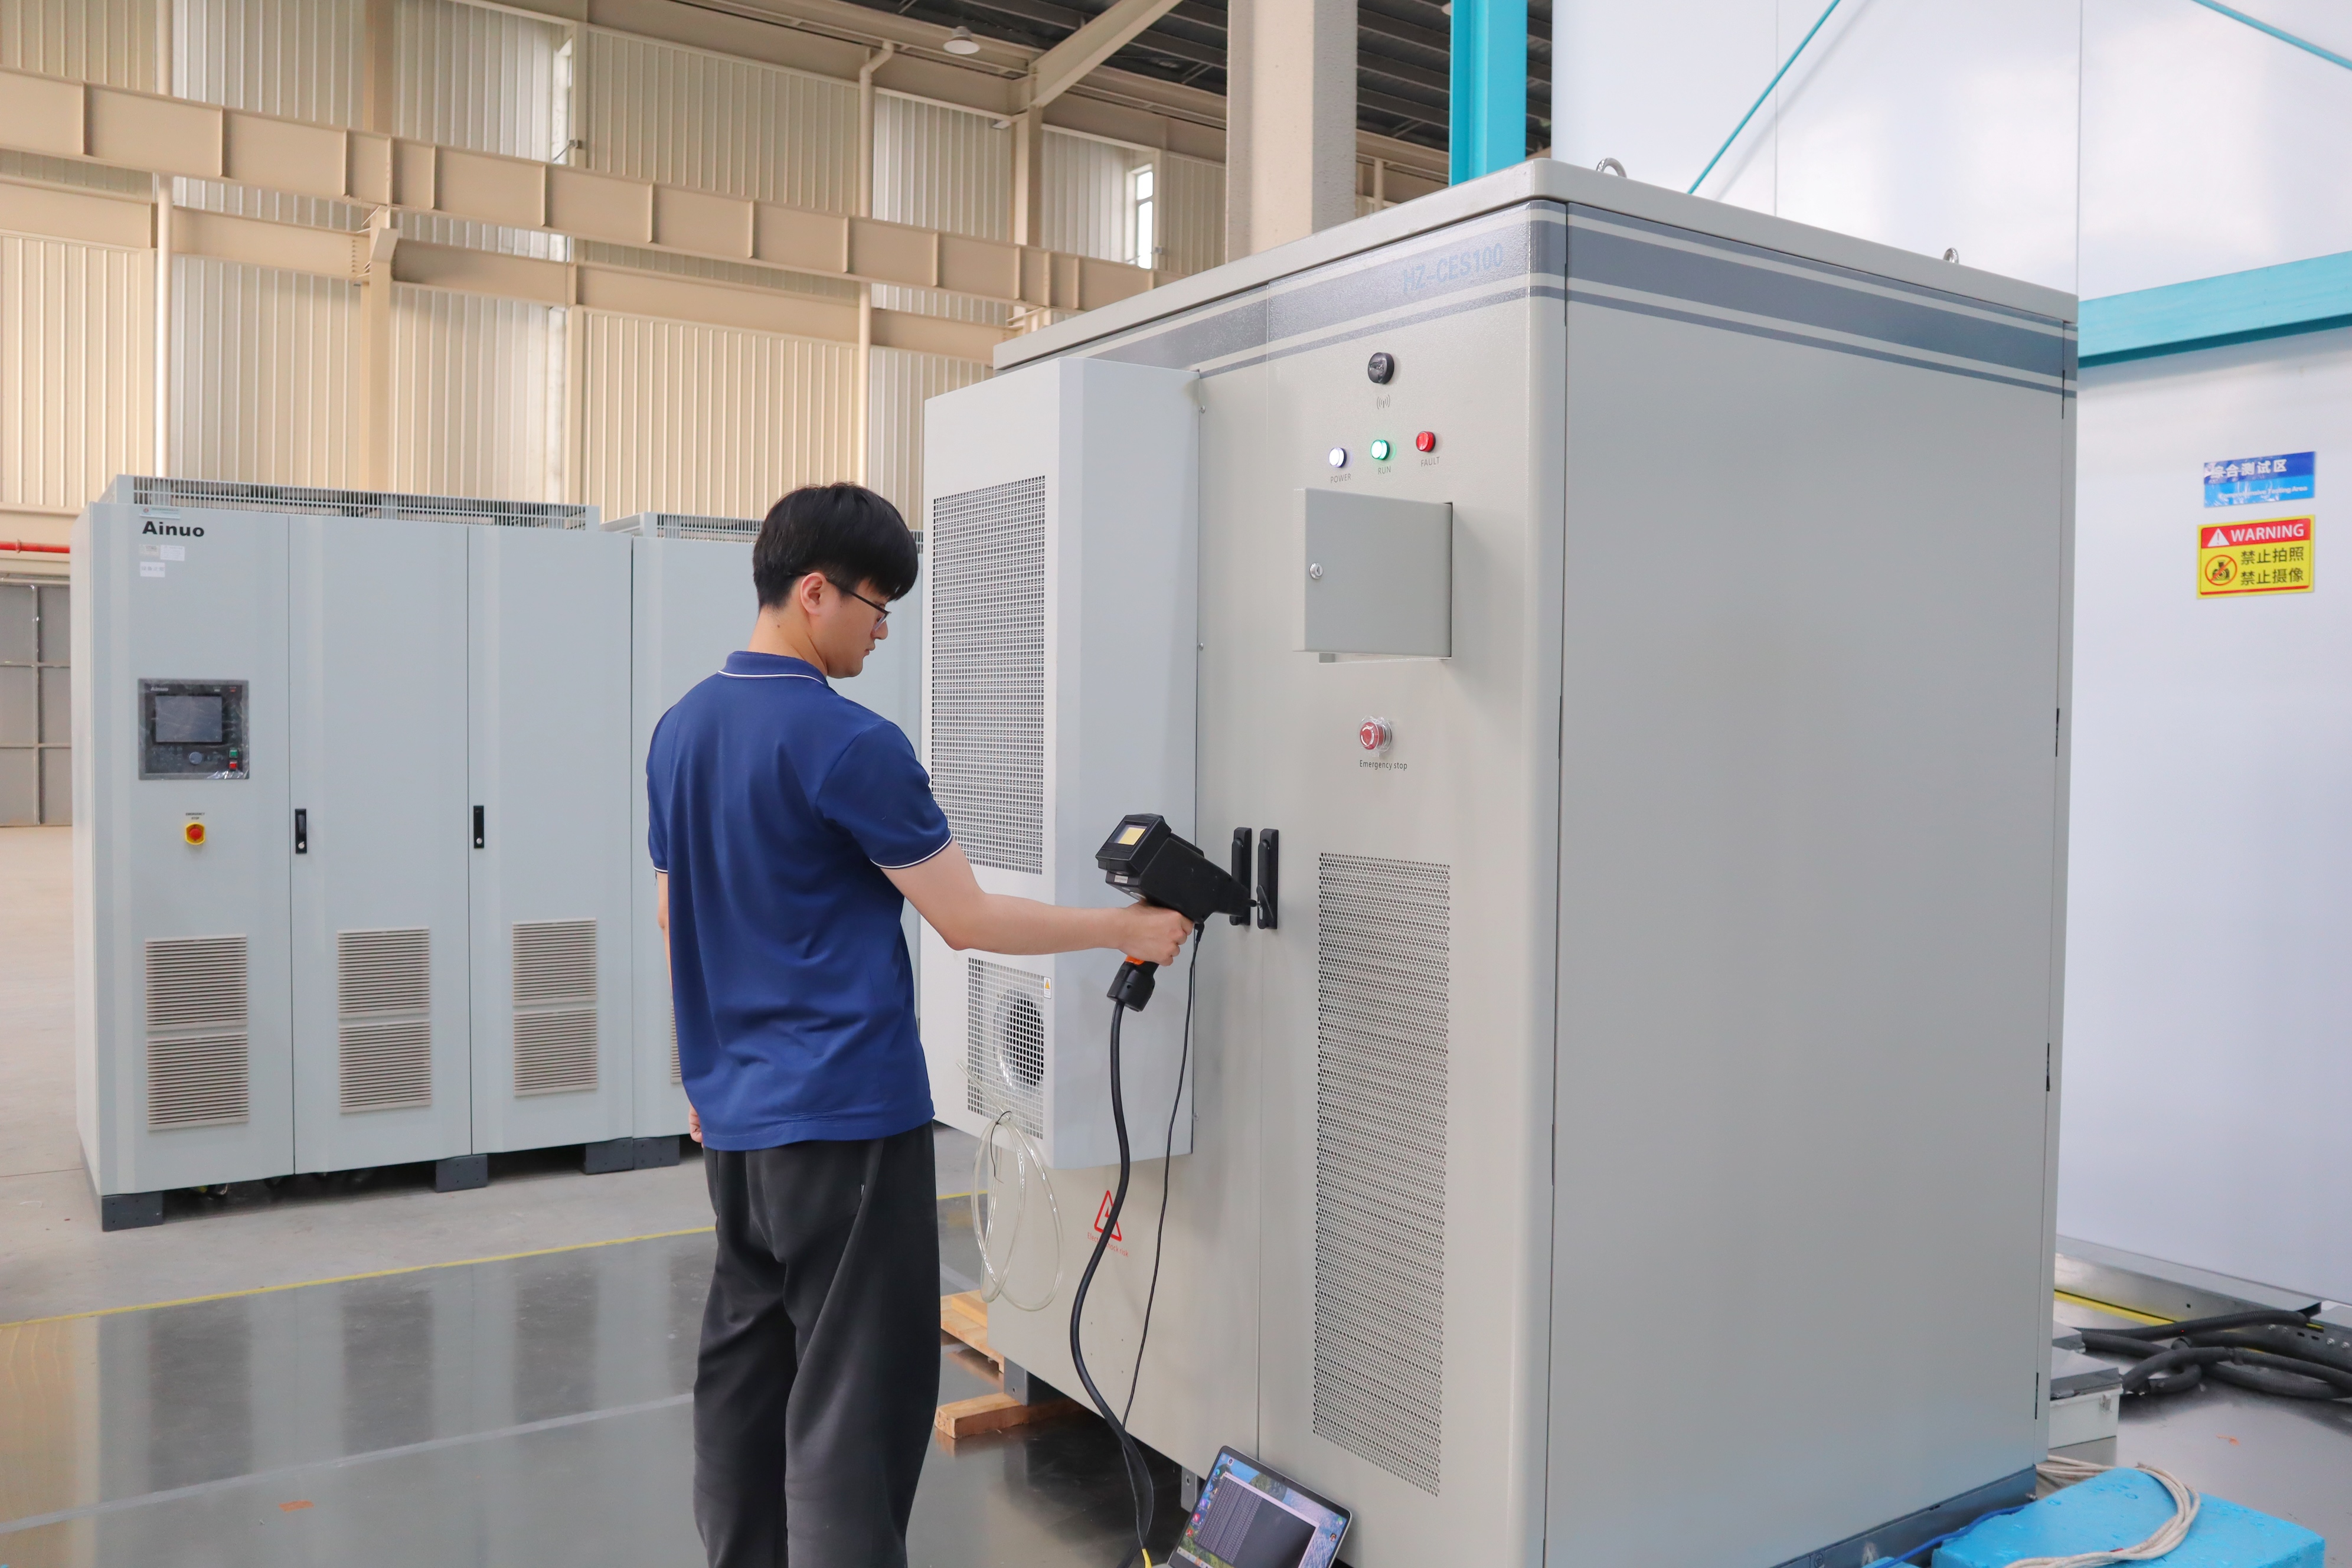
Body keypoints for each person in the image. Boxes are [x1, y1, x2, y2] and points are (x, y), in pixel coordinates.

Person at [646, 482, 1190, 1568]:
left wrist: (703, 1078)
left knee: (747, 1377)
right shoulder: (851, 744)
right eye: (876, 605)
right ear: (814, 593)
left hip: (739, 1122)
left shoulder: (682, 728)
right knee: (856, 1403)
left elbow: (675, 916)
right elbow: (965, 917)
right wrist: (1122, 928)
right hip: (847, 1116)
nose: (883, 630)